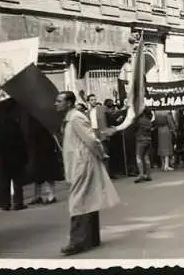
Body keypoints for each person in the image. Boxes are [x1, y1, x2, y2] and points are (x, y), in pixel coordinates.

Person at [54, 91, 120, 256]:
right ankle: (91, 238)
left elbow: (91, 139)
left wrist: (101, 154)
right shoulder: (70, 118)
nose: (56, 103)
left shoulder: (76, 118)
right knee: (88, 198)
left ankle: (76, 242)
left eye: (59, 101)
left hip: (82, 163)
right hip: (79, 163)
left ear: (69, 103)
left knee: (77, 201)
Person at [134, 107, 155, 183]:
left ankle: (141, 174)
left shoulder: (140, 120)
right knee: (146, 157)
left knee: (138, 157)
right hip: (148, 140)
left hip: (141, 140)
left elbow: (135, 128)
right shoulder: (149, 121)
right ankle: (148, 175)